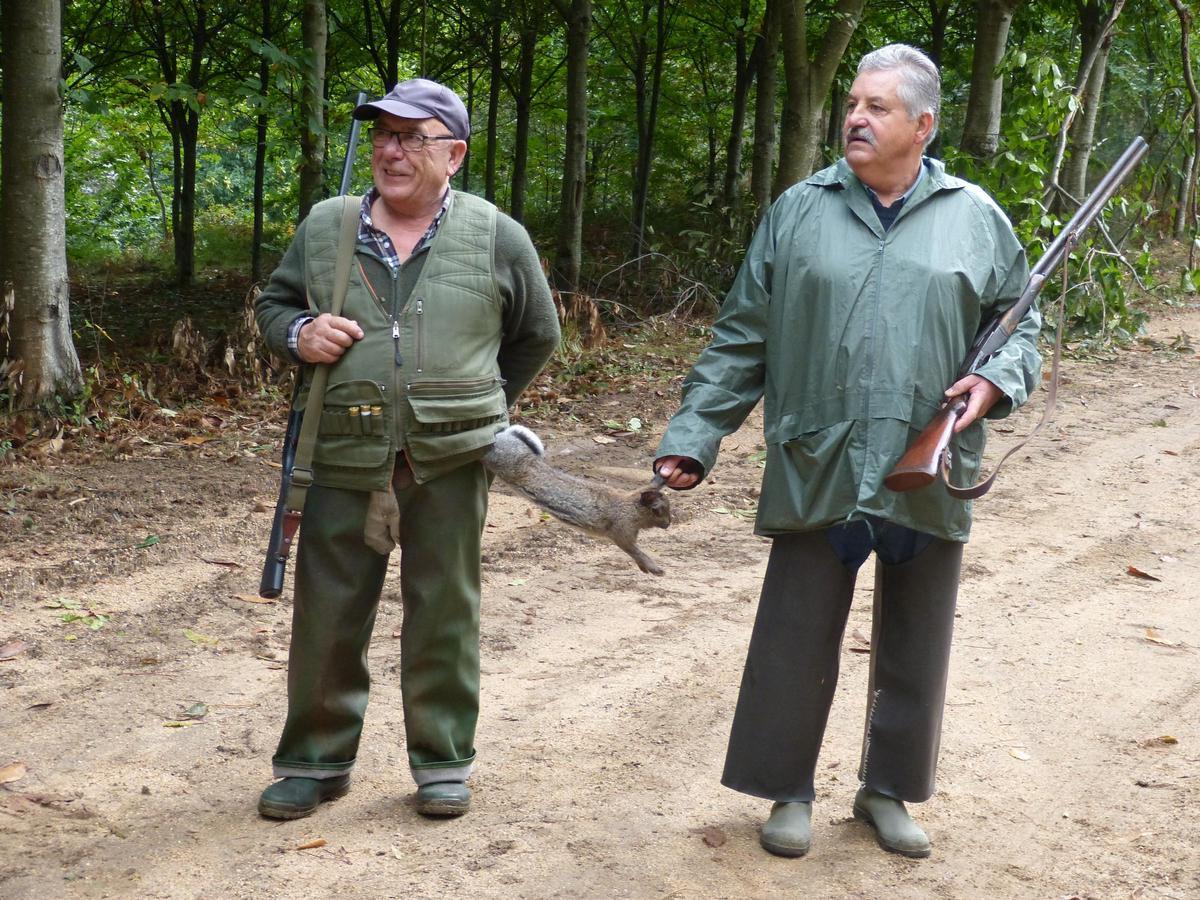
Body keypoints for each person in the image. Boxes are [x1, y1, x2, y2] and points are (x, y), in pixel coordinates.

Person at [654, 44, 1041, 859]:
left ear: (924, 126)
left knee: (918, 635)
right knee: (794, 633)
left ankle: (887, 791)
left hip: (924, 459)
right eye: (852, 104)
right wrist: (695, 437)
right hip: (816, 451)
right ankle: (785, 790)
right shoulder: (799, 209)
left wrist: (994, 383)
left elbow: (1018, 320)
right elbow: (741, 338)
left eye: (878, 107)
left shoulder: (976, 215)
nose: (855, 118)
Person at [254, 78, 560, 820]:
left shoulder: (496, 234)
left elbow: (536, 334)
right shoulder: (327, 225)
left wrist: (476, 405)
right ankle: (315, 763)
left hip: (450, 461)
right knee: (326, 612)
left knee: (444, 609)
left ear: (452, 153)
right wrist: (300, 334)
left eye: (411, 137)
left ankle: (442, 761)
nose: (391, 151)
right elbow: (275, 305)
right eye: (383, 135)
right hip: (341, 449)